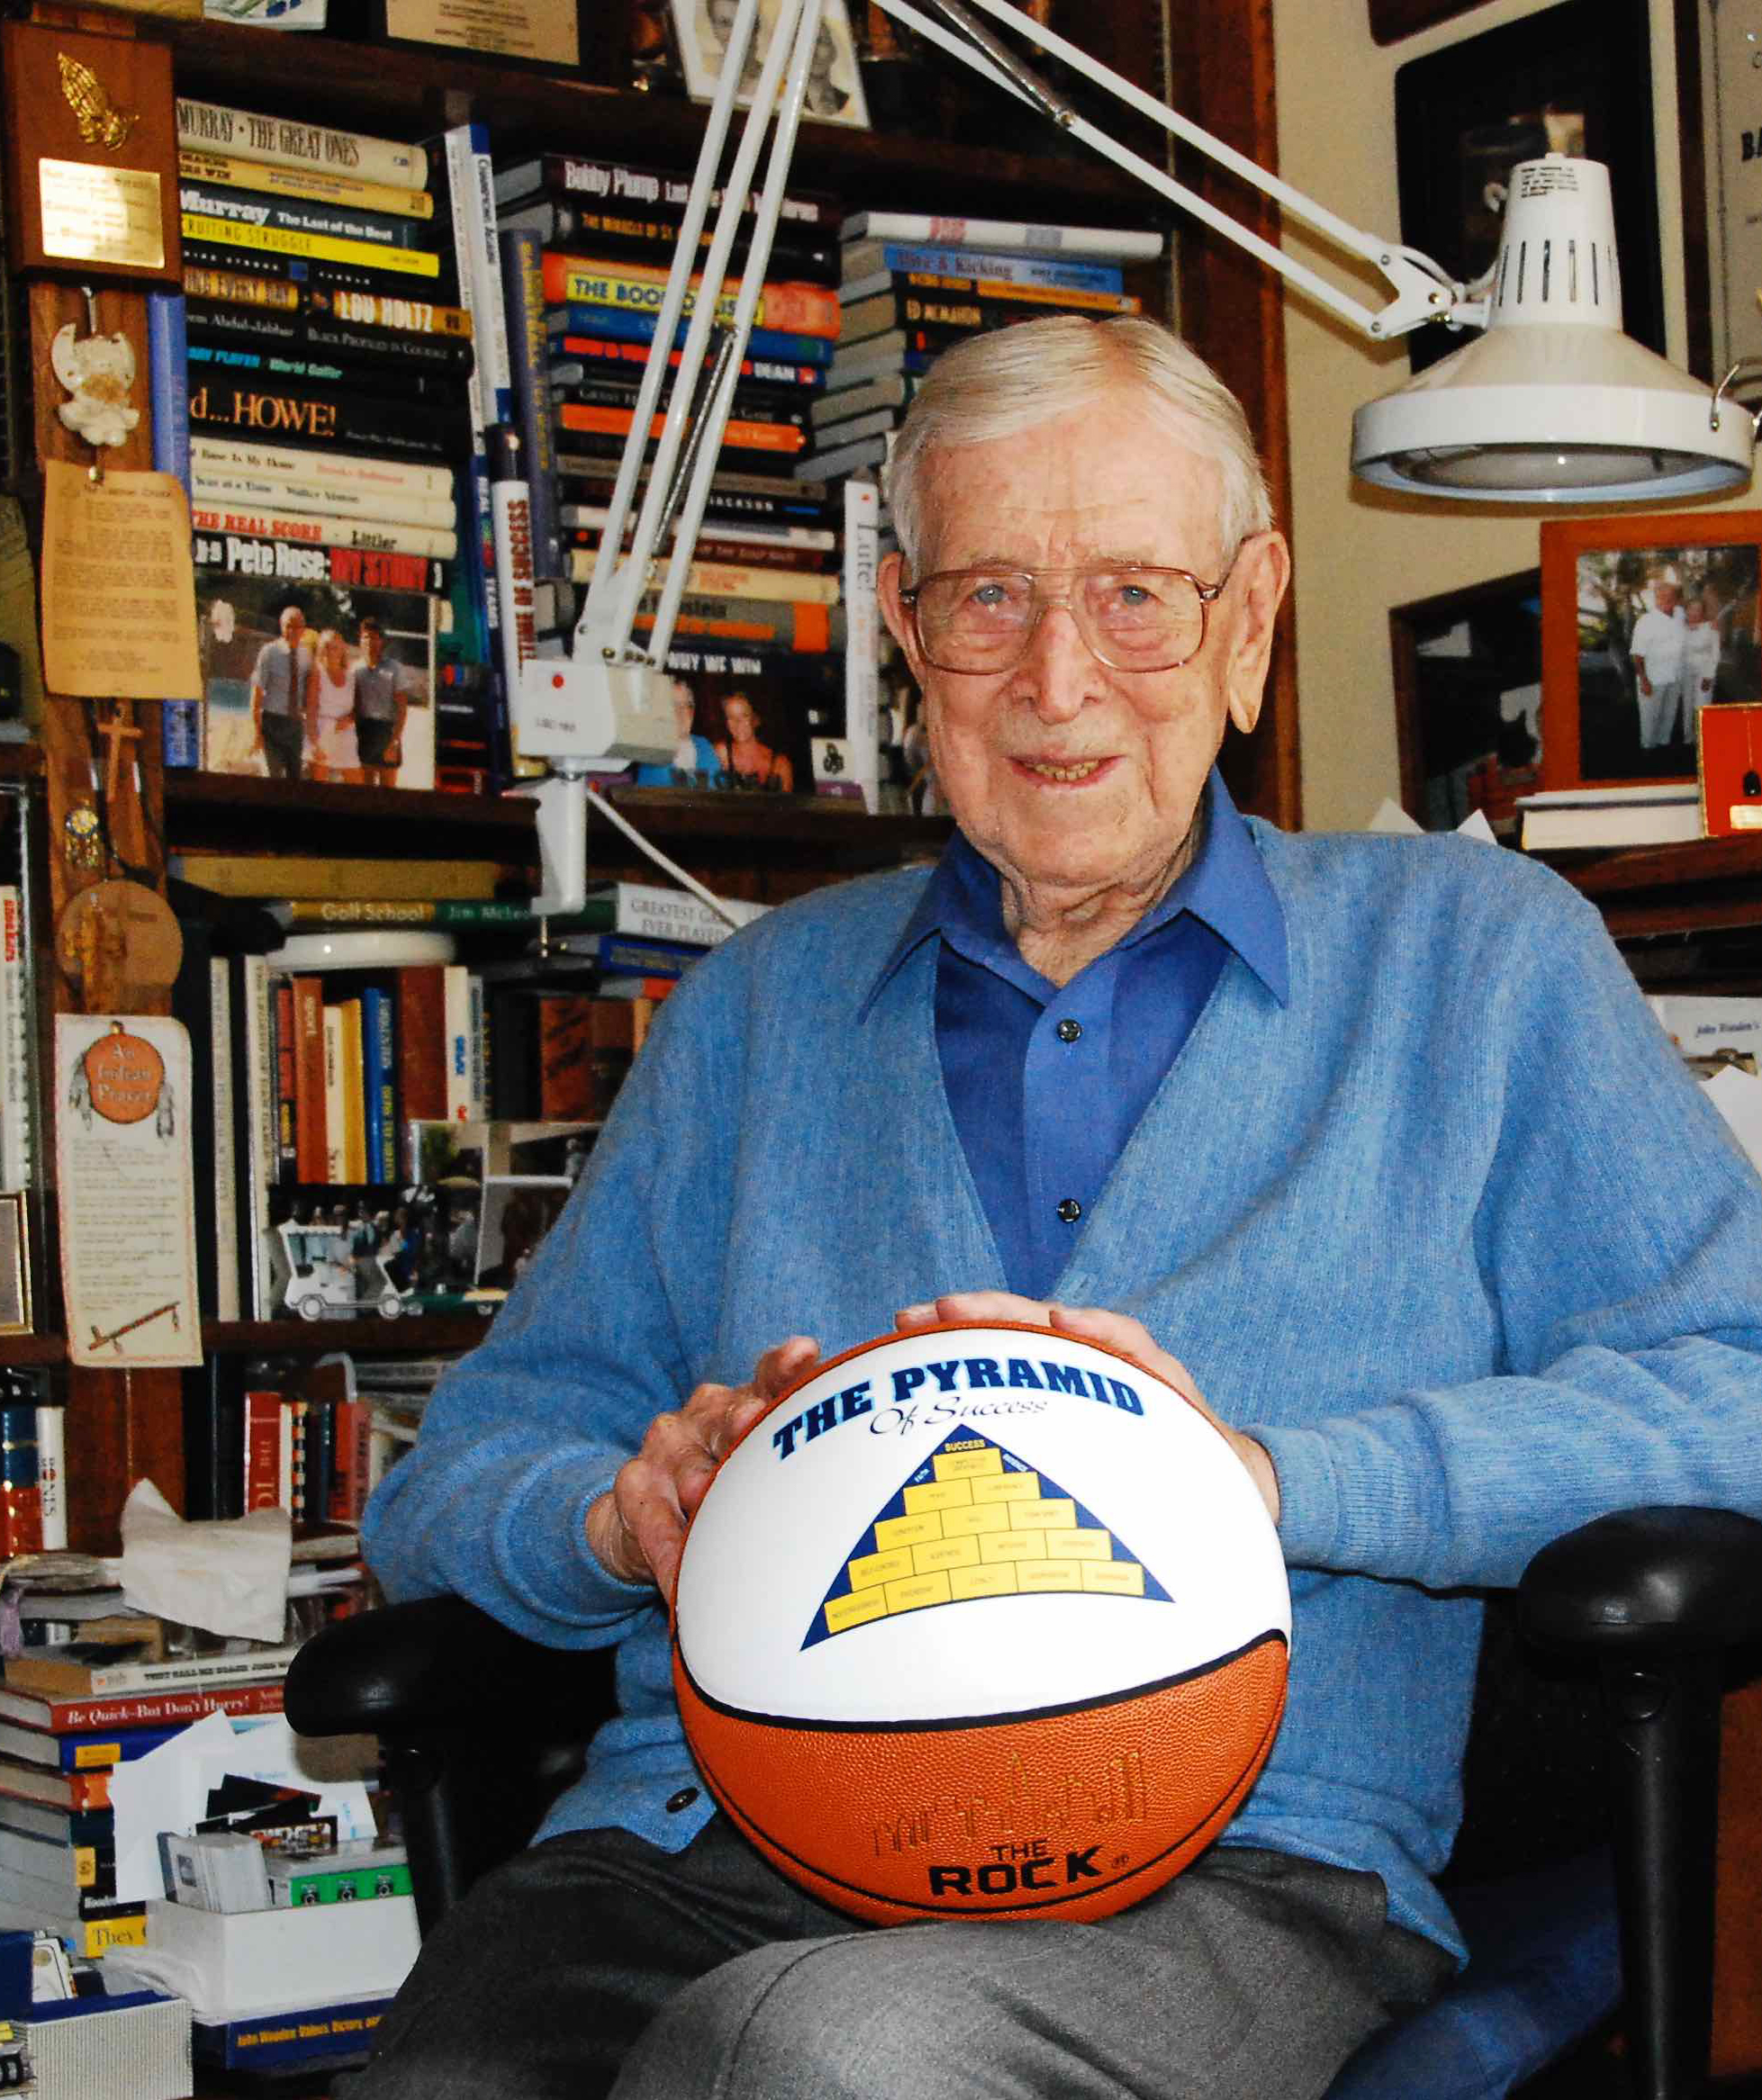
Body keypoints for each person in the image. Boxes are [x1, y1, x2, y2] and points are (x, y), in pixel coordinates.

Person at [352, 315, 1762, 2100]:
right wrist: (618, 1518)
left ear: (1250, 620)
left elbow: (1737, 1383)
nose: (1059, 679)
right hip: (710, 1831)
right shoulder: (756, 1011)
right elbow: (452, 1478)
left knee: (822, 2058)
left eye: (1135, 597)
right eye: (990, 599)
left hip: (1229, 1855)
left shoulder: (1471, 964)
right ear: (902, 637)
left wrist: (1262, 1480)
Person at [248, 603, 313, 780]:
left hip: (295, 725)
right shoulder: (269, 652)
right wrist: (257, 731)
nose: (293, 631)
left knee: (295, 778)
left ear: (304, 629)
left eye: (298, 626)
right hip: (272, 723)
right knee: (273, 776)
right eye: (289, 626)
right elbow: (257, 693)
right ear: (281, 626)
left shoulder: (307, 655)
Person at [1630, 572, 1686, 751]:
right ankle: (1648, 748)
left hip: (1675, 677)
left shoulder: (1679, 614)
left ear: (1676, 599)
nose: (1664, 600)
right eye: (1660, 597)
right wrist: (1644, 680)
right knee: (1650, 717)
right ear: (1655, 598)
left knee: (1668, 715)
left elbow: (1693, 620)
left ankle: (1664, 744)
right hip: (1653, 678)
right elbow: (1637, 655)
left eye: (1669, 597)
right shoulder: (1646, 622)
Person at [352, 617, 407, 789]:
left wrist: (395, 740)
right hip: (364, 732)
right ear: (360, 640)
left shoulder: (394, 668)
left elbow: (402, 709)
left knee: (389, 793)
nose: (370, 641)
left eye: (375, 637)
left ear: (382, 641)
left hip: (387, 731)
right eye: (366, 637)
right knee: (365, 791)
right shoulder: (355, 669)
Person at [636, 679, 720, 787]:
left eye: (685, 706)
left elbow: (719, 790)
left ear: (692, 712)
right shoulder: (653, 747)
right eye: (672, 706)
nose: (679, 713)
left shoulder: (703, 745)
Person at [306, 627, 361, 783]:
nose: (332, 651)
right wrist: (315, 742)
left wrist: (349, 720)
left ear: (343, 649)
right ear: (322, 650)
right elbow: (311, 710)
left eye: (336, 647)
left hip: (347, 732)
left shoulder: (351, 677)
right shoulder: (317, 674)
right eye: (328, 647)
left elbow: (359, 708)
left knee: (357, 783)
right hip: (323, 732)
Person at [713, 689, 792, 790]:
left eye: (744, 716)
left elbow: (787, 805)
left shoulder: (780, 763)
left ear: (756, 719)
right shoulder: (720, 752)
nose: (737, 723)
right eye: (731, 717)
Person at [1683, 590, 1722, 726]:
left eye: (1698, 610)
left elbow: (1715, 654)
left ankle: (1704, 737)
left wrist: (1709, 676)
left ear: (1702, 613)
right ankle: (1689, 738)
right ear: (1686, 610)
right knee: (1687, 706)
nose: (1694, 612)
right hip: (1686, 672)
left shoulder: (1711, 628)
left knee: (1701, 706)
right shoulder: (1680, 627)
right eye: (1691, 608)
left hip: (1704, 673)